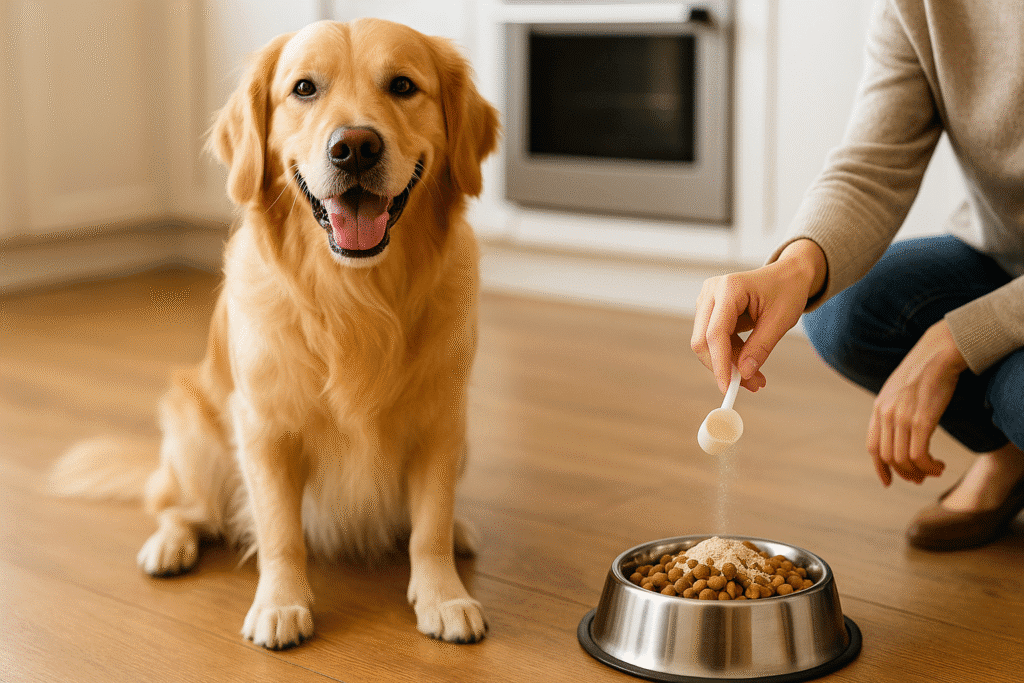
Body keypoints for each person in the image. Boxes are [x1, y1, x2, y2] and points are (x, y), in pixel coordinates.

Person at [690, 0, 1024, 551]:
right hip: (1000, 254)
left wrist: (956, 341)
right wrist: (796, 267)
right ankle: (1012, 451)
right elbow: (875, 162)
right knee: (848, 311)